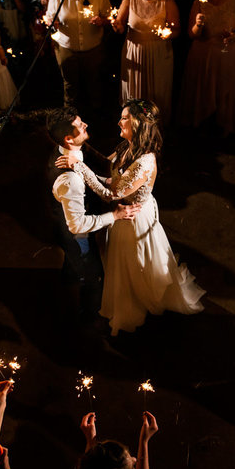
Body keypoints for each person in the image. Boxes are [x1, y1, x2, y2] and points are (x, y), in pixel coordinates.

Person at [56, 100, 204, 335]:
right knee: (126, 265)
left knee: (137, 263)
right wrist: (81, 163)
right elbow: (113, 180)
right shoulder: (127, 147)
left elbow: (111, 193)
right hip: (123, 214)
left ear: (138, 123)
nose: (119, 121)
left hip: (134, 218)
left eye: (124, 118)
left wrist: (80, 168)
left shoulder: (144, 162)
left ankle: (140, 301)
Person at [47, 110, 139, 320]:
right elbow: (77, 226)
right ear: (68, 139)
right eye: (80, 125)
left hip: (72, 220)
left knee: (74, 267)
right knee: (92, 273)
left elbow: (87, 169)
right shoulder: (69, 181)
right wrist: (115, 216)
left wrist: (103, 179)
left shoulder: (70, 150)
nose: (86, 124)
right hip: (75, 234)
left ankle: (70, 293)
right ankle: (87, 318)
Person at [180, 0, 235, 136]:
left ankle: (223, 126)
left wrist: (234, 35)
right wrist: (198, 24)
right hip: (204, 54)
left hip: (228, 53)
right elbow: (192, 34)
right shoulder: (200, 3)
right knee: (204, 91)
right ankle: (201, 125)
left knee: (225, 90)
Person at [43, 0, 112, 115]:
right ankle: (70, 116)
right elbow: (49, 18)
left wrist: (102, 21)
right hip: (67, 47)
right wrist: (52, 22)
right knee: (70, 85)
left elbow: (111, 18)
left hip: (93, 48)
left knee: (94, 82)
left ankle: (97, 115)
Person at [113, 0, 179, 120]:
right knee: (135, 95)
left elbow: (177, 30)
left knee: (157, 94)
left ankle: (156, 130)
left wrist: (167, 34)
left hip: (158, 54)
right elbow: (120, 26)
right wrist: (117, 26)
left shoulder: (167, 1)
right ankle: (134, 128)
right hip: (134, 53)